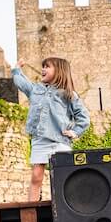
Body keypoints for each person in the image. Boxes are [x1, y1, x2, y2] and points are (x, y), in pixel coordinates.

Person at [13, 57, 90, 201]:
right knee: (36, 177)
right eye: (43, 66)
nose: (43, 69)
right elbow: (21, 83)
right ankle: (32, 210)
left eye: (47, 67)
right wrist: (16, 69)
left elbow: (83, 117)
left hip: (59, 140)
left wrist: (75, 131)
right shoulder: (35, 89)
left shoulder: (68, 94)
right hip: (40, 140)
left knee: (62, 177)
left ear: (59, 71)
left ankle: (65, 207)